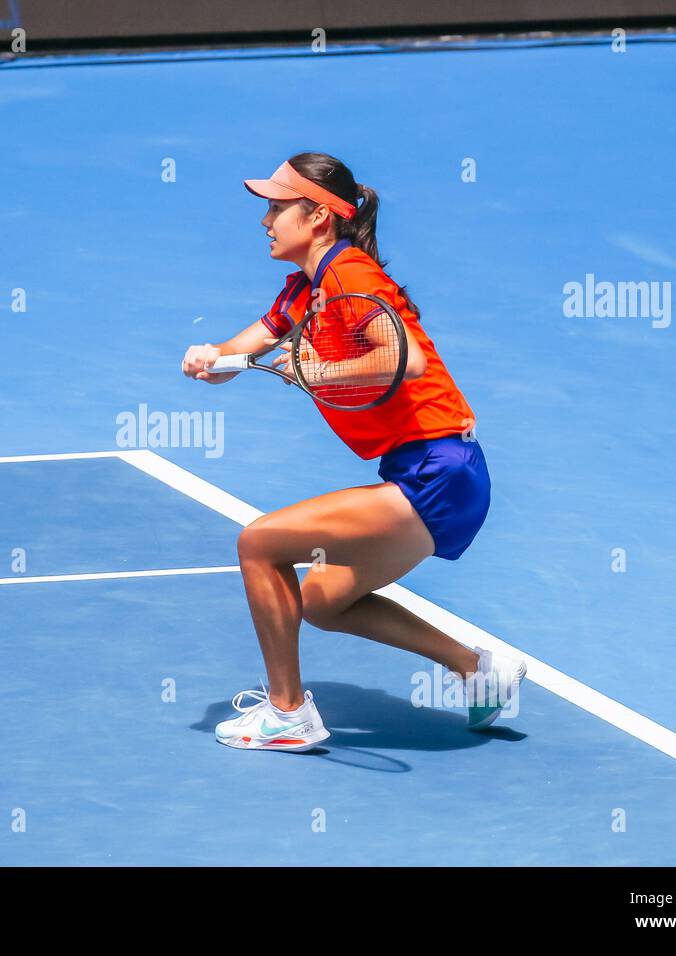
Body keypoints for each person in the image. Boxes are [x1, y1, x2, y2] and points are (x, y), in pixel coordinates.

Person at [181, 152, 525, 752]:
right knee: (322, 600)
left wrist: (318, 369)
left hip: (437, 469)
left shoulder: (350, 275)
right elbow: (248, 347)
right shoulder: (305, 290)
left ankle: (287, 713)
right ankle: (478, 671)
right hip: (436, 473)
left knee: (259, 543)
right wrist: (213, 357)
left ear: (318, 217)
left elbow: (405, 360)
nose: (265, 221)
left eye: (276, 207)